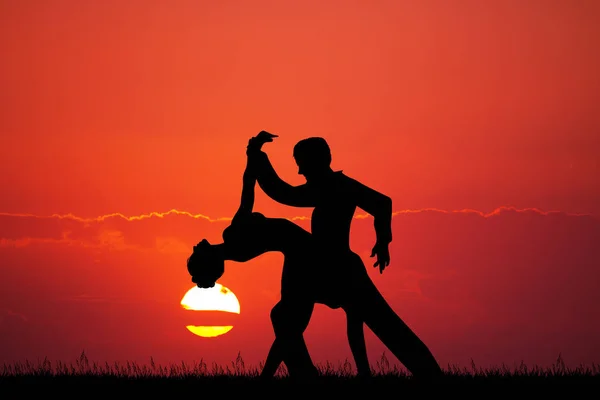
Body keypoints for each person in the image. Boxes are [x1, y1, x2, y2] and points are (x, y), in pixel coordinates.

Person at [187, 132, 443, 379]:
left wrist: (384, 239)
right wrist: (255, 157)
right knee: (291, 317)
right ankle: (308, 374)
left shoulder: (333, 187)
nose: (299, 172)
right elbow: (380, 204)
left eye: (301, 165)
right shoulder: (337, 186)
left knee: (387, 326)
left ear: (316, 161)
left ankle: (427, 375)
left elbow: (284, 193)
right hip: (319, 265)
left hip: (335, 269)